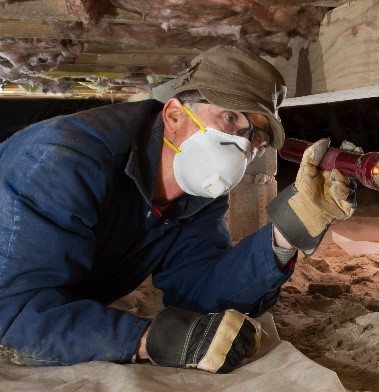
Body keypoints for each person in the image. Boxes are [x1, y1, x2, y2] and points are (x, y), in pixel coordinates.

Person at [0, 46, 355, 373]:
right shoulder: (61, 163)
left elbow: (199, 290)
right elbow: (16, 316)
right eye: (230, 118)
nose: (242, 144)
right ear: (173, 115)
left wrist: (286, 232)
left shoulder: (198, 194)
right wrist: (148, 340)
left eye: (256, 136)